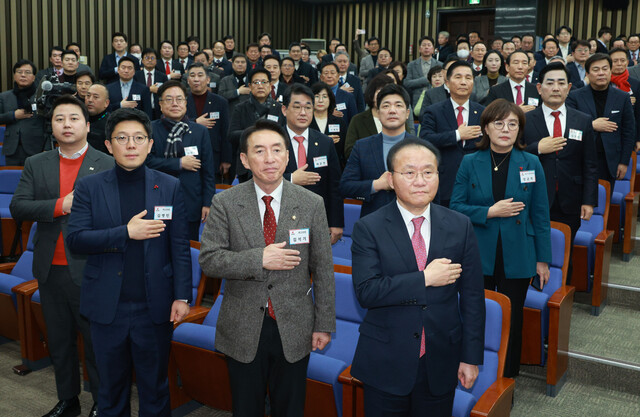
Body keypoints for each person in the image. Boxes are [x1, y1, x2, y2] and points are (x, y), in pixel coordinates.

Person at [198, 119, 336, 417]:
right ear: (245, 160)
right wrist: (259, 258)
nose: (270, 158)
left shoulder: (311, 203)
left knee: (291, 408)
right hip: (243, 324)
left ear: (288, 156)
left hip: (295, 325)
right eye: (259, 151)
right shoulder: (225, 202)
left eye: (277, 150)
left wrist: (324, 323)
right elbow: (209, 259)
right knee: (246, 408)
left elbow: (323, 267)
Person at [66, 108, 191, 417]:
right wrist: (126, 233)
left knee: (155, 389)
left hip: (155, 307)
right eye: (122, 138)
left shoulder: (169, 186)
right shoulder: (89, 187)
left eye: (138, 138)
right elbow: (77, 239)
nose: (131, 145)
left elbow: (179, 246)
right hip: (108, 307)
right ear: (109, 145)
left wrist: (181, 295)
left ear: (150, 144)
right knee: (110, 390)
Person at [350, 138, 485, 417]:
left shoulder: (460, 225)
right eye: (409, 173)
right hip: (386, 360)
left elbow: (473, 297)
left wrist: (470, 358)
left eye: (428, 172)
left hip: (441, 359)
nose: (420, 181)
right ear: (390, 178)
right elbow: (367, 292)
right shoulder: (369, 227)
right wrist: (425, 278)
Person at [10, 95, 114, 417]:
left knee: (97, 345)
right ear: (51, 125)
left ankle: (102, 403)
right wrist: (60, 206)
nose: (66, 125)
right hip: (50, 270)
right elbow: (19, 207)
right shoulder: (36, 163)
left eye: (73, 118)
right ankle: (68, 400)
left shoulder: (109, 164)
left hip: (93, 269)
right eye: (59, 119)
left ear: (86, 123)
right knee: (60, 343)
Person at [450, 99, 551, 378]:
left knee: (511, 317)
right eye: (498, 123)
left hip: (518, 252)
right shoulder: (470, 161)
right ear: (485, 127)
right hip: (478, 252)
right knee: (474, 315)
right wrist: (489, 212)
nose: (505, 129)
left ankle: (506, 379)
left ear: (520, 130)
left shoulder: (531, 162)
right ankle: (472, 372)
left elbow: (541, 215)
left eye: (512, 124)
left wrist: (543, 259)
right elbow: (455, 207)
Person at [522, 62, 598, 281]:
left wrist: (589, 201)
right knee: (530, 249)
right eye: (550, 83)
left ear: (569, 87)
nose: (555, 88)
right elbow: (515, 155)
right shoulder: (525, 120)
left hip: (570, 199)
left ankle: (560, 300)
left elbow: (590, 164)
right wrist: (537, 148)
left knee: (565, 253)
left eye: (561, 83)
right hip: (533, 197)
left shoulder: (582, 120)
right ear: (539, 88)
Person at [146, 80, 215, 241]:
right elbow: (146, 162)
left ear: (186, 102)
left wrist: (207, 203)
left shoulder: (200, 131)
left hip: (191, 200)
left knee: (187, 246)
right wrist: (179, 164)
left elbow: (208, 171)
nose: (174, 104)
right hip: (159, 197)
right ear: (161, 105)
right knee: (158, 245)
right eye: (169, 99)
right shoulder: (150, 129)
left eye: (179, 99)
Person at [340, 84, 420, 217]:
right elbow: (346, 186)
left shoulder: (421, 148)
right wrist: (377, 184)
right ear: (378, 113)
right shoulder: (362, 146)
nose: (392, 110)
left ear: (407, 114)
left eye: (398, 105)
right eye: (386, 106)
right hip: (372, 223)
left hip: (413, 221)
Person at [280, 84, 344, 244]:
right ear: (284, 110)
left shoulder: (324, 142)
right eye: (297, 107)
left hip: (316, 218)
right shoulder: (272, 140)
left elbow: (334, 185)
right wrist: (291, 179)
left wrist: (336, 222)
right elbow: (256, 178)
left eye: (308, 108)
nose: (303, 113)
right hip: (280, 217)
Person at [566, 53, 636, 190]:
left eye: (605, 69)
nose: (601, 73)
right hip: (580, 158)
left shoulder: (622, 97)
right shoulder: (575, 96)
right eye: (596, 70)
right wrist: (591, 125)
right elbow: (568, 126)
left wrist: (624, 162)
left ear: (610, 71)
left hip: (609, 160)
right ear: (587, 73)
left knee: (604, 204)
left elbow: (629, 131)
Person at [421, 61, 485, 207]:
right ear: (447, 82)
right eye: (458, 77)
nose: (463, 82)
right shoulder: (434, 111)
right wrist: (457, 134)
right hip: (445, 182)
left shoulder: (483, 112)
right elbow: (425, 140)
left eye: (468, 78)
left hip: (476, 183)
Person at [228, 68, 283, 182]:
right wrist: (255, 132)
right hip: (247, 165)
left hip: (273, 163)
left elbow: (284, 134)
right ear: (250, 86)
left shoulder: (278, 108)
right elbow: (231, 135)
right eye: (256, 82)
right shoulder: (240, 108)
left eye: (264, 82)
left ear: (270, 85)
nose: (260, 86)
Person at [185, 62, 232, 183]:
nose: (196, 79)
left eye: (200, 75)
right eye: (192, 75)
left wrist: (226, 159)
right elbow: (173, 122)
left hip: (213, 156)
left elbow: (226, 131)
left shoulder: (220, 102)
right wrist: (195, 122)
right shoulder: (181, 100)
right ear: (188, 79)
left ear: (208, 79)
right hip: (187, 156)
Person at [0, 59, 46, 166]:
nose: (23, 75)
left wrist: (47, 148)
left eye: (27, 72)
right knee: (12, 180)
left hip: (35, 147)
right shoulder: (4, 96)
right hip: (12, 148)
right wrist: (13, 115)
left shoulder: (41, 97)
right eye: (19, 72)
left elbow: (48, 122)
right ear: (15, 75)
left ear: (34, 77)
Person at [343, 74, 396, 158]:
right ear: (372, 93)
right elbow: (349, 151)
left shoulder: (397, 119)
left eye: (387, 93)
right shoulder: (358, 120)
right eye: (380, 91)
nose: (383, 96)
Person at [311, 82, 348, 167]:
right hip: (311, 169)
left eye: (324, 96)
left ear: (330, 99)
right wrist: (325, 141)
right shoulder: (306, 122)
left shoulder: (339, 122)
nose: (320, 100)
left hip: (335, 168)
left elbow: (344, 150)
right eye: (317, 96)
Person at [404, 36, 443, 106]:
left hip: (435, 100)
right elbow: (407, 83)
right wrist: (425, 80)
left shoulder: (440, 65)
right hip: (417, 101)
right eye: (424, 45)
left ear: (433, 49)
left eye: (429, 45)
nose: (426, 47)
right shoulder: (412, 65)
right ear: (419, 49)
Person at [134, 48, 168, 120]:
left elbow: (166, 93)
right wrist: (149, 89)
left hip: (158, 110)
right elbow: (134, 93)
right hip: (140, 110)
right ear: (142, 60)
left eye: (152, 58)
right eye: (147, 58)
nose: (150, 60)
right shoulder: (136, 76)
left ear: (156, 61)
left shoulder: (162, 76)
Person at [85, 83, 111, 154]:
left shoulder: (111, 124)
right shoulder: (79, 119)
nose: (90, 100)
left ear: (106, 103)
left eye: (95, 97)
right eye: (88, 96)